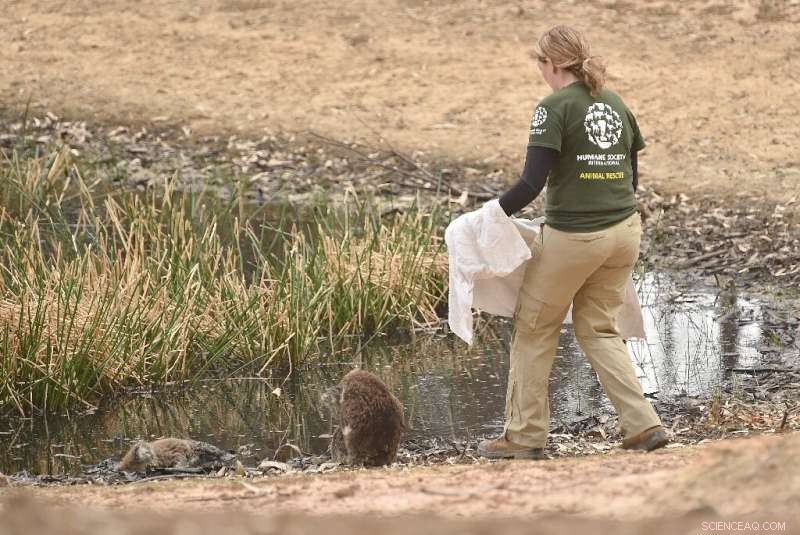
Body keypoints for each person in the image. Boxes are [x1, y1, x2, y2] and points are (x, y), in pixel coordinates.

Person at [477, 25, 667, 460]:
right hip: (624, 233)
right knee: (599, 328)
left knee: (533, 327)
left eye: (540, 64)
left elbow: (530, 184)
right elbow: (630, 178)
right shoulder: (615, 104)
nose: (540, 72)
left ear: (555, 64)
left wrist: (490, 216)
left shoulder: (552, 109)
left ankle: (523, 436)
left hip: (574, 238)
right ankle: (642, 426)